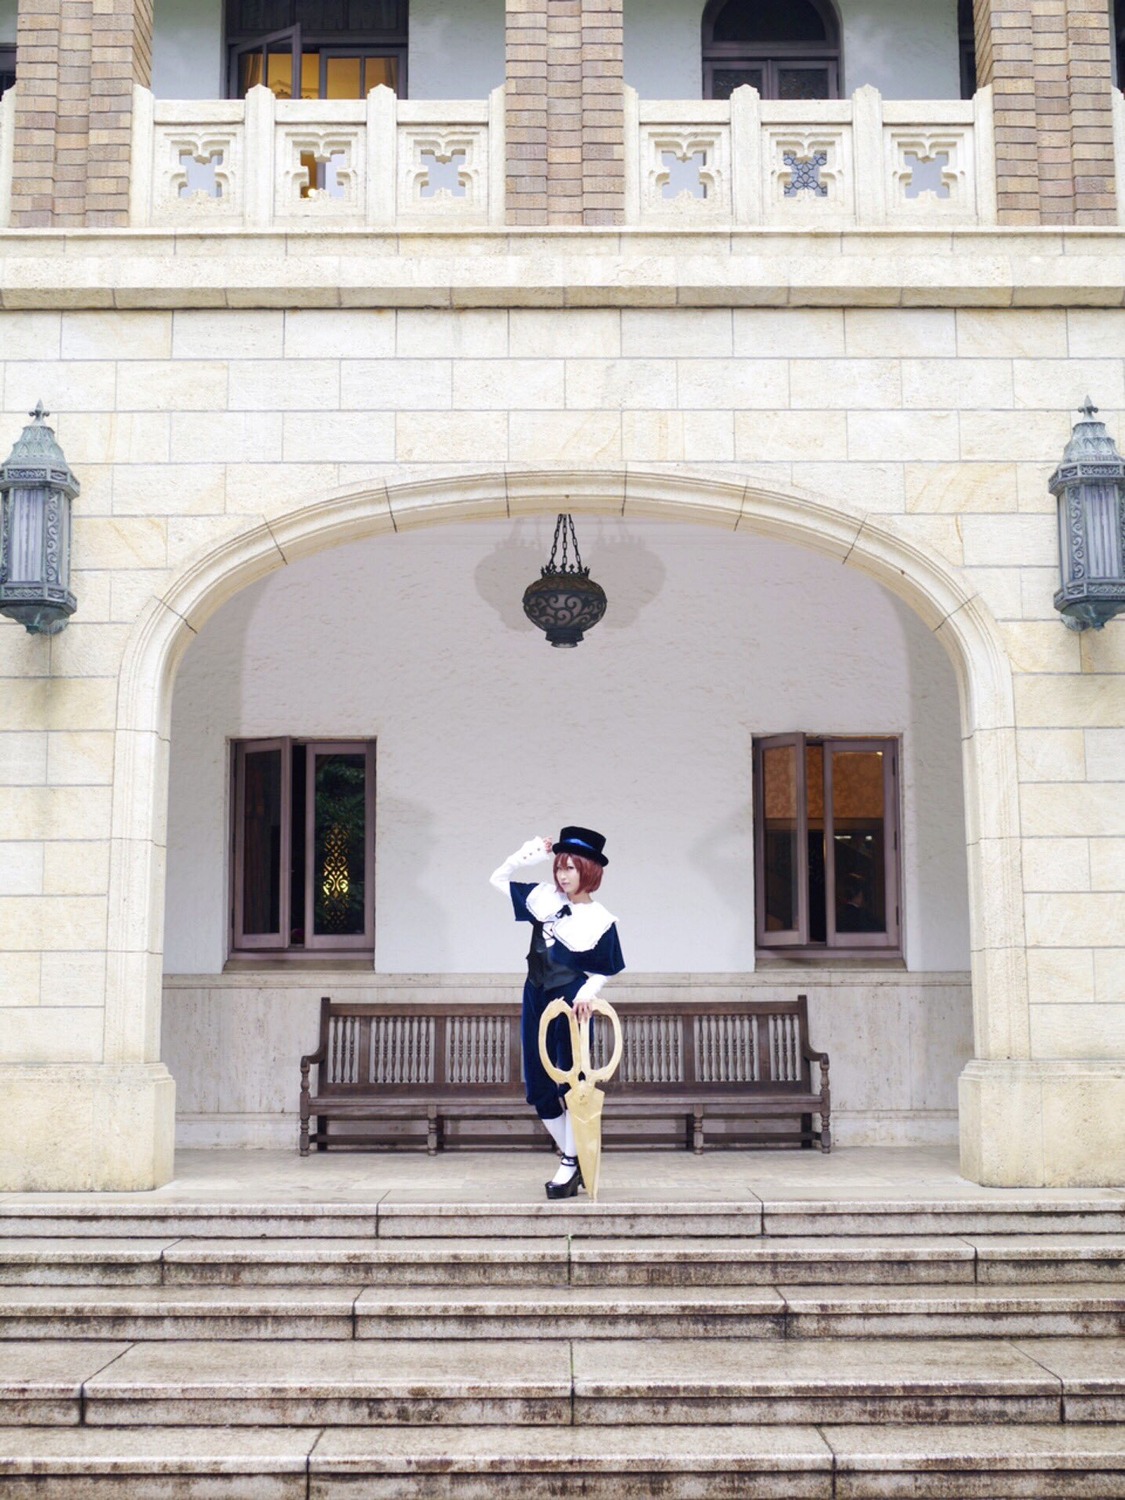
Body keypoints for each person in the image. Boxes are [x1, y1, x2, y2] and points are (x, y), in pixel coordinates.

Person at [490, 827, 625, 1199]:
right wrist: (529, 852)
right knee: (537, 1086)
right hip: (535, 995)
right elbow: (497, 878)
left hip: (571, 1005)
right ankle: (575, 1157)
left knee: (573, 1086)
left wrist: (586, 992)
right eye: (560, 867)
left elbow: (608, 967)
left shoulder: (601, 919)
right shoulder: (543, 897)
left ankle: (569, 1164)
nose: (563, 875)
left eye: (571, 867)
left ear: (590, 871)